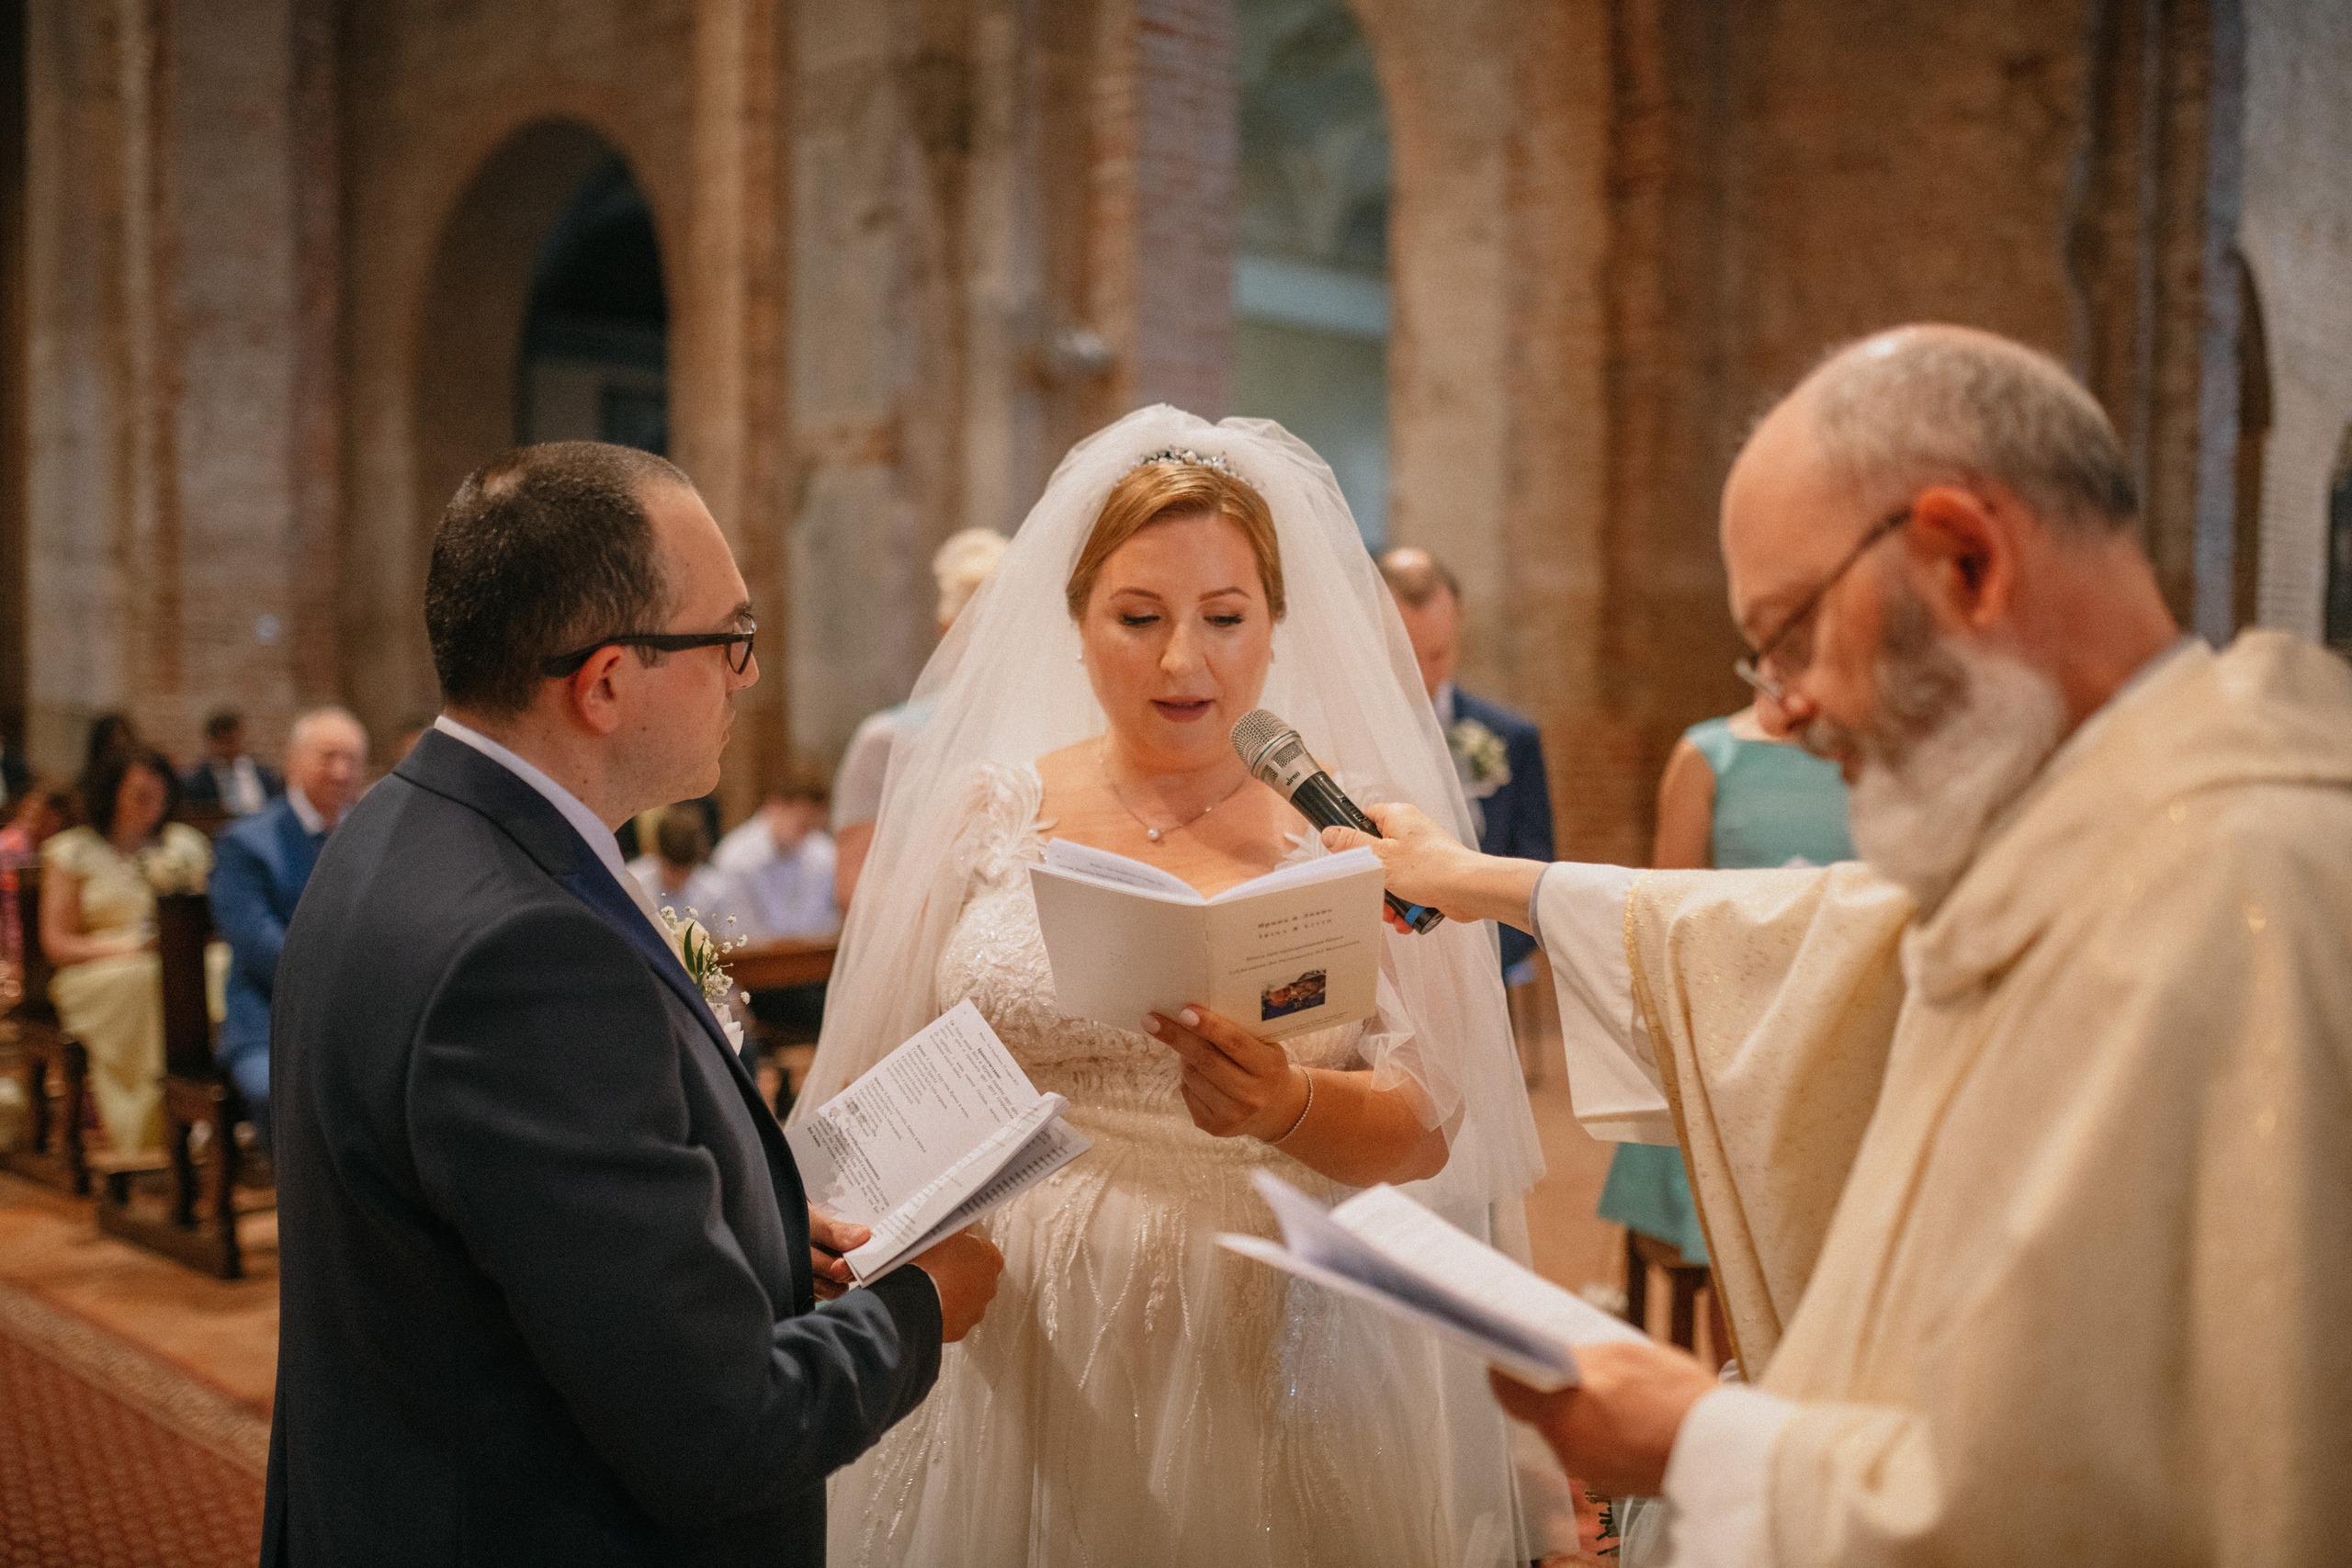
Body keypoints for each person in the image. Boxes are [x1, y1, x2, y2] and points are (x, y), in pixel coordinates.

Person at [1324, 326, 2352, 1564]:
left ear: (1965, 556)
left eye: (1792, 636)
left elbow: (2151, 1499)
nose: (1786, 707)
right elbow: (1812, 932)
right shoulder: (2088, 828)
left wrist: (1696, 1439)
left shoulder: (2243, 894)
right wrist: (1472, 878)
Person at [801, 409, 1549, 1566]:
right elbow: (871, 1078)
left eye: (1224, 618)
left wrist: (1287, 1105)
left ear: (1275, 626)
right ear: (1077, 619)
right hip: (1016, 1317)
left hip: (1277, 1325)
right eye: (1138, 618)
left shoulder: (1361, 832)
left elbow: (1432, 1126)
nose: (1182, 662)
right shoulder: (981, 811)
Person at [262, 440, 1001, 1567]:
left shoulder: (400, 820)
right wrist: (922, 1309)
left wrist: (738, 1234)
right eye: (730, 639)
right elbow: (718, 1430)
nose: (747, 675)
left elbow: (499, 1211)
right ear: (606, 682)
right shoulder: (528, 955)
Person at [1595, 705, 1854, 1334]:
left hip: (1841, 1023)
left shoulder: (1870, 748)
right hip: (1731, 1037)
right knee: (1740, 1257)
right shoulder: (1709, 755)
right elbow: (1664, 918)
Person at [1377, 547, 1555, 981]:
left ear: (1458, 619)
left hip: (1481, 974)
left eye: (1437, 654)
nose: (1423, 674)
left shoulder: (1511, 738)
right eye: (1405, 656)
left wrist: (1479, 963)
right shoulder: (1338, 738)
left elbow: (1535, 871)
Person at [207, 706, 370, 1154]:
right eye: (327, 756)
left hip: (365, 1015)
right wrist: (352, 985)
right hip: (270, 1018)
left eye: (352, 759)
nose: (341, 771)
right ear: (293, 762)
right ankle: (308, 1220)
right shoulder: (247, 842)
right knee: (286, 1093)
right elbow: (258, 942)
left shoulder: (378, 836)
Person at [39, 746, 211, 1153]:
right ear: (112, 792)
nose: (151, 803)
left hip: (173, 959)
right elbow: (57, 942)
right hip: (95, 971)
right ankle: (155, 1121)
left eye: (159, 794)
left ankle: (211, 1101)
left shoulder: (183, 845)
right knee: (151, 981)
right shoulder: (74, 850)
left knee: (220, 969)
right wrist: (131, 947)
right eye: (139, 794)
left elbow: (207, 918)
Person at [829, 526, 1009, 910]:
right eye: (989, 629)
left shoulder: (1049, 736)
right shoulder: (885, 740)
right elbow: (852, 886)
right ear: (948, 630)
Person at [713, 773, 838, 940]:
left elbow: (830, 923)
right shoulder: (736, 858)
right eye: (801, 822)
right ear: (774, 806)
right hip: (756, 960)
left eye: (813, 825)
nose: (806, 833)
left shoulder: (825, 854)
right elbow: (737, 933)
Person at [627, 806, 756, 938]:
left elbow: (727, 945)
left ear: (695, 862)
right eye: (671, 870)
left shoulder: (716, 891)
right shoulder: (631, 883)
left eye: (684, 873)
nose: (677, 879)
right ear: (657, 855)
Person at [1, 782, 74, 974]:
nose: (33, 818)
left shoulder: (63, 848)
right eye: (29, 810)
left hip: (41, 947)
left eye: (43, 812)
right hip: (13, 946)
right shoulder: (7, 847)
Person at [179, 708, 283, 817]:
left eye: (234, 740)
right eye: (224, 741)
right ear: (211, 742)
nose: (231, 748)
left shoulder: (264, 773)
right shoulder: (197, 781)